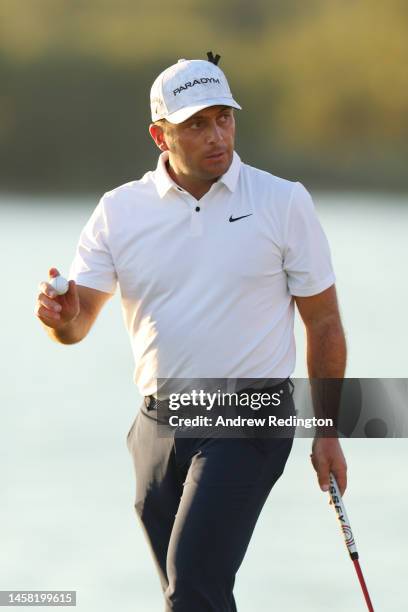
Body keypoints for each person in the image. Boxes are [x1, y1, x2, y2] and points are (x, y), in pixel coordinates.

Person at [35, 53, 347, 611]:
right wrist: (62, 321)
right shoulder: (119, 212)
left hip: (249, 415)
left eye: (223, 118)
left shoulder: (282, 201)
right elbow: (78, 322)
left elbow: (322, 320)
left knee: (193, 584)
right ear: (161, 135)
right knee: (190, 594)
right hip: (157, 424)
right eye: (196, 124)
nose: (216, 135)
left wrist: (328, 431)